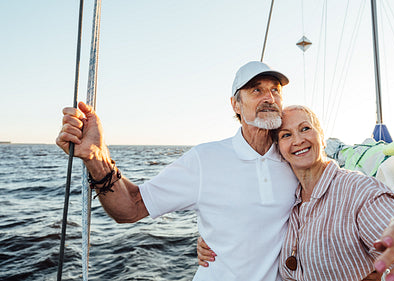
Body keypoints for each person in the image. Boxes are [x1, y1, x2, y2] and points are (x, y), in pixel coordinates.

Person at [56, 61, 299, 281]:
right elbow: (131, 207)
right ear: (236, 104)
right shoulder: (205, 159)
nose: (269, 97)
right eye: (257, 90)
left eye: (275, 90)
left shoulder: (295, 158)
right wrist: (97, 156)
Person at [198, 105, 394, 281]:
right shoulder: (285, 201)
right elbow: (250, 227)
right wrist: (215, 240)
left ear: (322, 137)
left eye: (305, 128)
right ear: (278, 148)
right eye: (286, 135)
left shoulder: (359, 192)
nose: (298, 140)